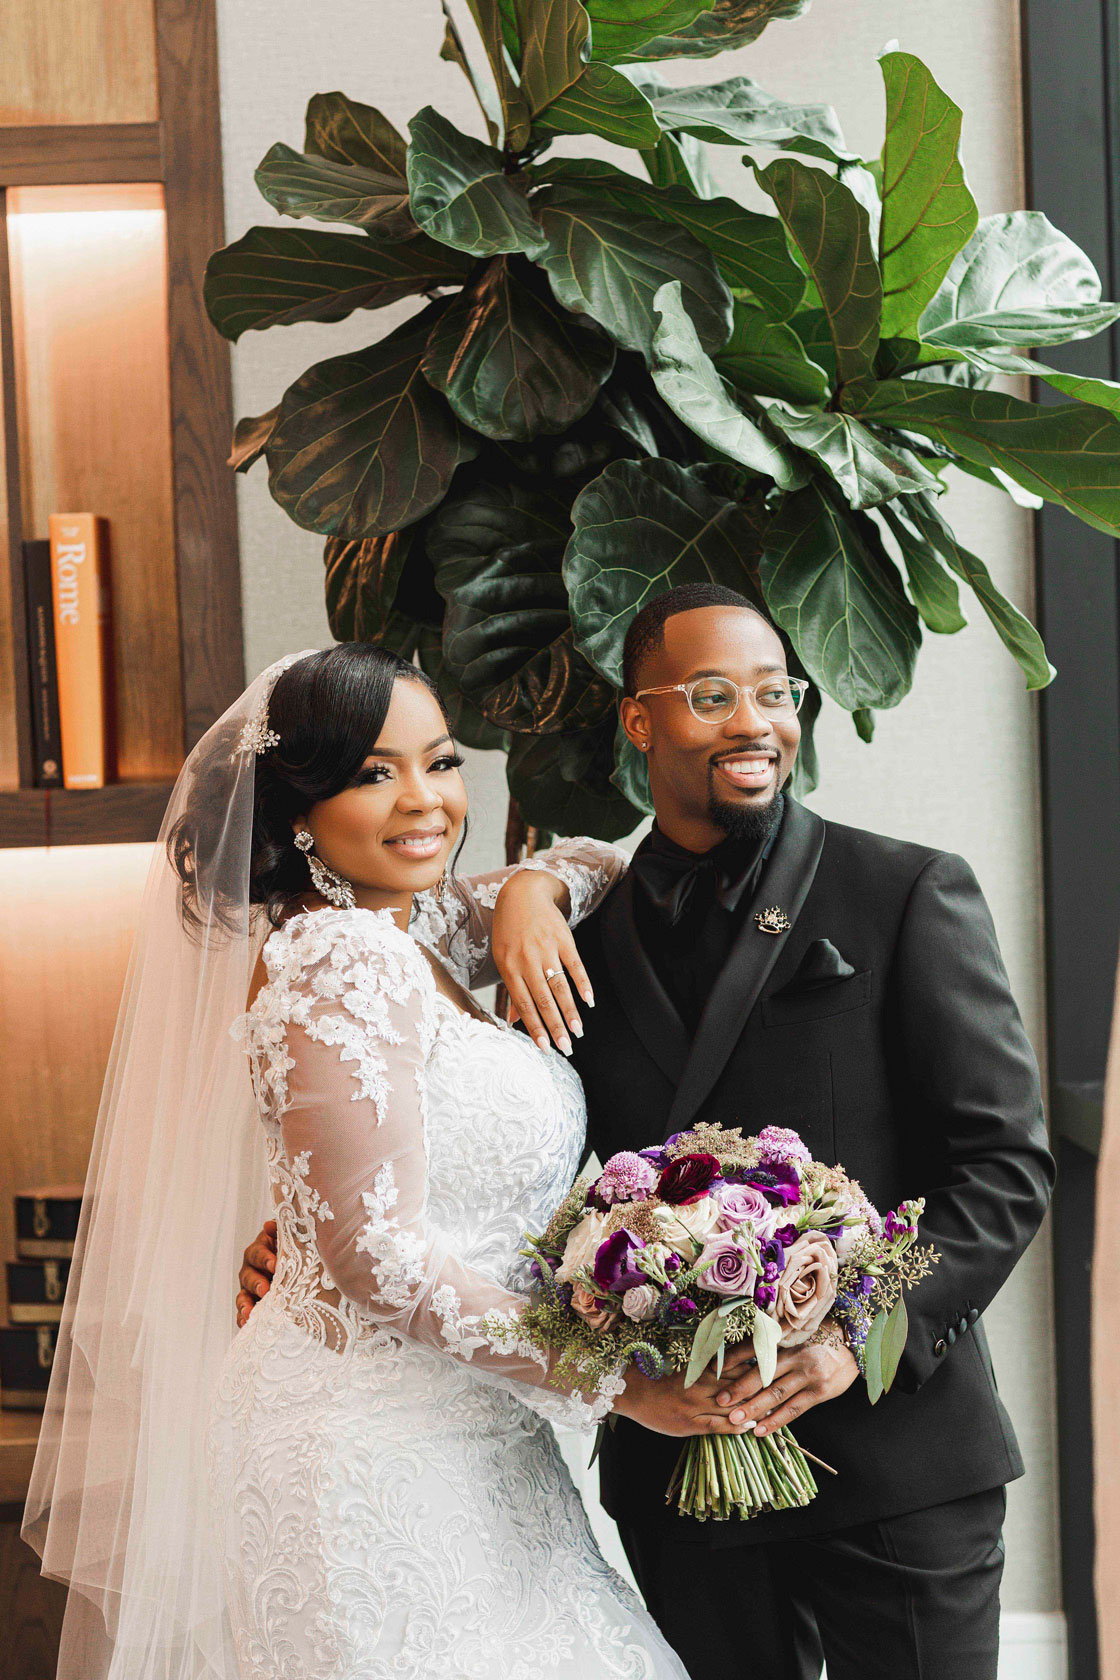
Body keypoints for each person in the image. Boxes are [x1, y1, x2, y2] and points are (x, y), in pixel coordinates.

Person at [237, 587, 1055, 1680]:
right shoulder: (580, 942)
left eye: (776, 694)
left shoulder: (901, 891)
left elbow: (1002, 1169)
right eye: (711, 695)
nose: (752, 723)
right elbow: (392, 1137)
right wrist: (315, 1227)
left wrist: (852, 1341)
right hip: (674, 1488)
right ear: (639, 722)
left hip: (897, 1470)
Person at [25, 642, 763, 1680]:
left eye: (443, 761)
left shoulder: (428, 932)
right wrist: (622, 1384)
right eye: (375, 773)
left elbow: (606, 858)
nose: (425, 801)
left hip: (480, 1428)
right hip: (364, 1449)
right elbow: (378, 1260)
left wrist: (528, 890)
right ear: (297, 808)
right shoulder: (335, 959)